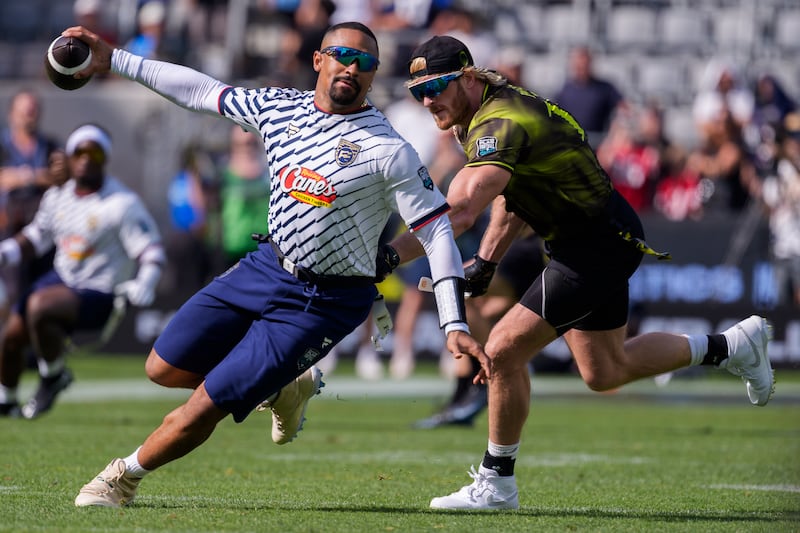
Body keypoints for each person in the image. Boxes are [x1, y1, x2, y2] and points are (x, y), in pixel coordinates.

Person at [63, 21, 485, 508]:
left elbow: (437, 228)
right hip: (266, 266)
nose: (352, 67)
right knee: (162, 367)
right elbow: (201, 90)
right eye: (342, 55)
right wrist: (115, 59)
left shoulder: (388, 149)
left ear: (374, 75)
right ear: (318, 60)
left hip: (324, 301)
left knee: (206, 405)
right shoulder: (279, 107)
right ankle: (282, 386)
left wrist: (453, 320)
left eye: (365, 62)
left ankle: (122, 479)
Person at [384, 35, 775, 510]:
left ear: (467, 78)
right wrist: (487, 260)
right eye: (417, 91)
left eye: (437, 86)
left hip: (594, 245)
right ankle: (734, 346)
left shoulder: (499, 123)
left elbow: (460, 212)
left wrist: (380, 259)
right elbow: (513, 198)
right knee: (604, 370)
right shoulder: (484, 115)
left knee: (504, 349)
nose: (427, 100)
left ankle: (497, 483)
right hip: (595, 238)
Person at [0, 124, 165, 419]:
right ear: (71, 157)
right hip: (62, 281)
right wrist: (6, 253)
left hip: (100, 291)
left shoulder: (121, 203)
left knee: (40, 306)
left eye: (95, 151)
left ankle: (52, 378)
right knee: (12, 333)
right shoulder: (57, 196)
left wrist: (146, 280)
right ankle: (6, 400)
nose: (87, 158)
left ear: (106, 158)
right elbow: (36, 238)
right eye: (80, 151)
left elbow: (151, 249)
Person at [0, 89, 61, 315]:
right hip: (9, 229)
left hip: (42, 228)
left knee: (43, 290)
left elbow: (60, 177)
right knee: (15, 291)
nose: (29, 116)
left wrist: (23, 177)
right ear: (11, 114)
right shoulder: (3, 146)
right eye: (24, 111)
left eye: (33, 111)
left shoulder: (49, 146)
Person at [553, 45, 625, 147]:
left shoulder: (605, 89)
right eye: (577, 64)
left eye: (584, 63)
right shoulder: (564, 91)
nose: (580, 67)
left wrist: (612, 139)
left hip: (599, 148)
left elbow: (623, 111)